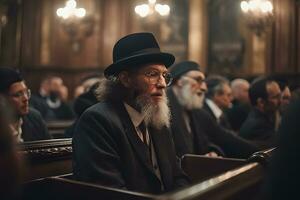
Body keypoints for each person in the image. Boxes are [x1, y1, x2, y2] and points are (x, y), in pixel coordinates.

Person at [73, 32, 189, 194]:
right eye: (152, 74)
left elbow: (178, 177)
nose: (162, 84)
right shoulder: (97, 120)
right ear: (126, 79)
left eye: (164, 75)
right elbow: (109, 192)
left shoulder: (157, 119)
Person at [168, 61, 257, 158]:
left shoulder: (195, 111)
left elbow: (223, 137)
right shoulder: (164, 111)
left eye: (204, 82)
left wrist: (211, 152)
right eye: (198, 80)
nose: (204, 88)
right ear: (180, 81)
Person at [0, 67, 51, 142]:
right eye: (18, 94)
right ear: (2, 99)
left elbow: (52, 149)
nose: (26, 98)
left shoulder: (34, 118)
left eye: (26, 92)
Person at [239, 77, 281, 149]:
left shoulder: (266, 118)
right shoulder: (257, 126)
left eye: (280, 95)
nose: (280, 100)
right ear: (261, 102)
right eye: (275, 97)